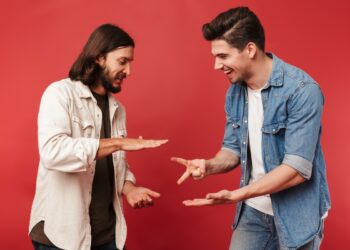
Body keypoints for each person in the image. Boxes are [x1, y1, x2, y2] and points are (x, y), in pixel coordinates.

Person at [171, 7, 330, 250]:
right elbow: (232, 150)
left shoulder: (302, 91)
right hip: (254, 213)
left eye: (223, 56)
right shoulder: (235, 92)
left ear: (250, 49)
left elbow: (297, 169)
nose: (216, 65)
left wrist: (238, 194)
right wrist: (209, 165)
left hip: (297, 215)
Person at [29, 24, 167, 250]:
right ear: (99, 58)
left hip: (106, 236)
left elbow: (113, 162)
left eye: (130, 63)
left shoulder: (117, 109)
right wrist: (119, 143)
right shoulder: (59, 93)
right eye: (123, 61)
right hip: (60, 236)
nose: (129, 71)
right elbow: (51, 152)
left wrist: (130, 188)